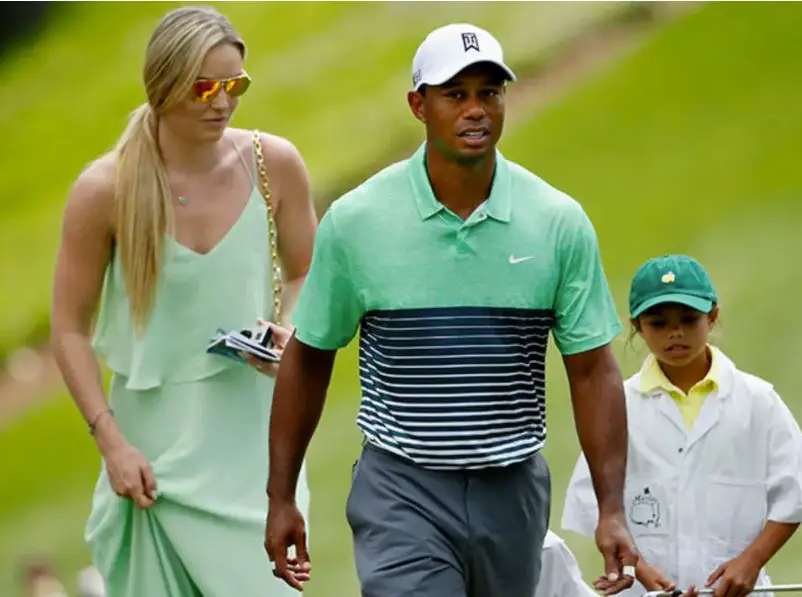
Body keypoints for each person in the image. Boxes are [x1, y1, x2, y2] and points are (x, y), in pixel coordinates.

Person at [265, 22, 638, 597]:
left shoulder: (557, 221)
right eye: (455, 94)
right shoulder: (357, 222)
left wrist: (611, 509)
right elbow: (310, 356)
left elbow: (592, 369)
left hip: (511, 491)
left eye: (489, 92)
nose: (476, 110)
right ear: (419, 105)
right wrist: (282, 495)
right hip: (401, 488)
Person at [50, 5, 317, 596]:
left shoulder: (274, 165)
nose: (221, 102)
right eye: (204, 87)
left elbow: (306, 273)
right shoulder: (105, 191)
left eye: (235, 85)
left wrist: (289, 331)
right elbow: (67, 327)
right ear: (164, 86)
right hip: (153, 461)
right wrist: (111, 442)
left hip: (256, 454)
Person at [561, 255, 802, 597]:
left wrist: (750, 561)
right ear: (637, 326)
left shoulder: (756, 400)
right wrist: (640, 569)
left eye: (689, 319)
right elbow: (594, 505)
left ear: (713, 316)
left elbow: (797, 494)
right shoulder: (620, 405)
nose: (675, 333)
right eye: (658, 323)